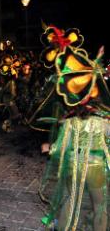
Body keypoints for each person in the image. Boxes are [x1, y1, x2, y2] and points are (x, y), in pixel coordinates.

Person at [37, 26, 110, 230]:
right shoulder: (104, 121)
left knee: (69, 201)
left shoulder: (70, 121)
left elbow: (60, 147)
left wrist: (48, 148)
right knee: (100, 206)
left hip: (72, 166)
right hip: (96, 169)